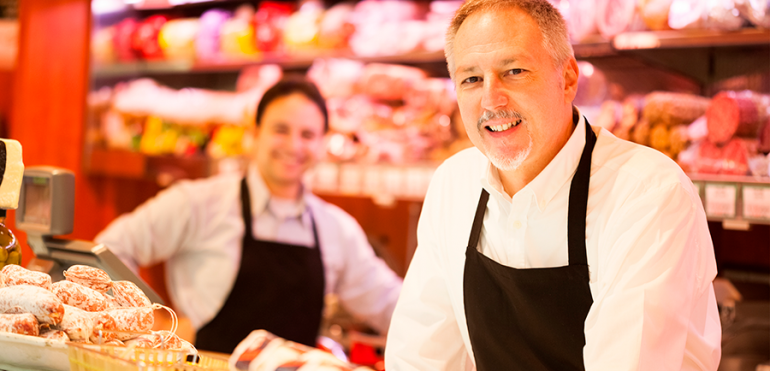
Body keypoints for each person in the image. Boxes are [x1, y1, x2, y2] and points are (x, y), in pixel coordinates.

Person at [384, 1, 721, 370]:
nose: (491, 100)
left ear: (568, 79)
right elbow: (419, 358)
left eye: (514, 71)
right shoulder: (454, 184)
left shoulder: (647, 193)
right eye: (471, 79)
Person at [96, 77, 403, 354]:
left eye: (307, 134)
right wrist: (157, 323)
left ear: (322, 143)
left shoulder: (336, 229)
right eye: (281, 130)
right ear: (255, 134)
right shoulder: (198, 202)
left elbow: (391, 303)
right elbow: (105, 252)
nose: (294, 145)